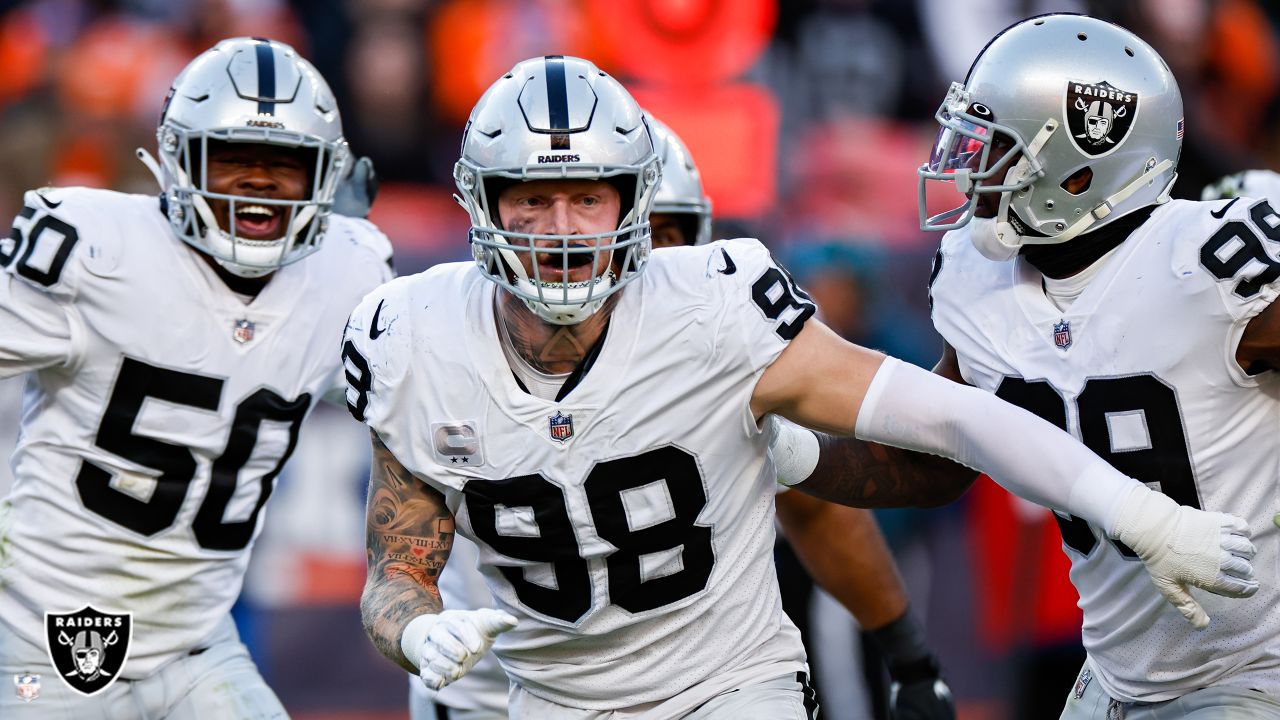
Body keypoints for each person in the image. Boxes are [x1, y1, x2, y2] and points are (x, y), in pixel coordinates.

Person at [345, 55, 1255, 720]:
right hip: (527, 695)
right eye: (530, 199)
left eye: (591, 197)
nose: (561, 227)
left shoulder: (713, 303)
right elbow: (398, 567)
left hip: (726, 690)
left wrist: (1136, 515)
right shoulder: (409, 337)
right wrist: (418, 630)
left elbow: (945, 416)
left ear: (636, 203)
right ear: (480, 202)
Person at [407, 116, 955, 720]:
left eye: (668, 238)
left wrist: (909, 659)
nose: (650, 263)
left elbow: (814, 503)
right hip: (491, 692)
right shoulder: (450, 351)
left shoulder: (708, 350)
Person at [0, 37, 394, 717]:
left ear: (324, 175)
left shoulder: (350, 270)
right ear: (180, 161)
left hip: (197, 646)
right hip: (43, 637)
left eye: (287, 163)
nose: (260, 179)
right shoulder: (93, 246)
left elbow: (417, 407)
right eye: (235, 157)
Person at [916, 13, 1280, 719]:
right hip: (1116, 675)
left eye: (995, 148)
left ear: (1080, 167)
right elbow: (938, 451)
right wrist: (791, 450)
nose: (965, 167)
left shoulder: (1212, 269)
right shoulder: (977, 281)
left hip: (1254, 668)